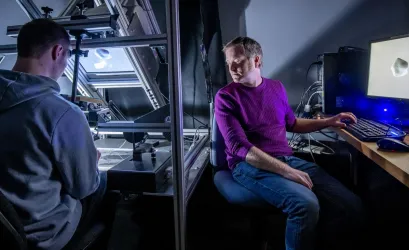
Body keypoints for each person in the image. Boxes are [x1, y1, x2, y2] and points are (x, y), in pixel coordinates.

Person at [215, 36, 365, 250]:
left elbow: (292, 123)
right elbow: (239, 148)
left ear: (256, 61)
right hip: (248, 165)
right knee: (305, 205)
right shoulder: (226, 97)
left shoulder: (276, 88)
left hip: (287, 159)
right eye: (229, 62)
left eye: (238, 60)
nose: (232, 67)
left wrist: (328, 122)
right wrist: (286, 171)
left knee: (352, 205)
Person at [0, 19, 106, 250]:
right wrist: (92, 165)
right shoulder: (62, 112)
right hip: (40, 235)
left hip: (5, 231)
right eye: (67, 56)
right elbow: (83, 187)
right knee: (103, 184)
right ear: (59, 52)